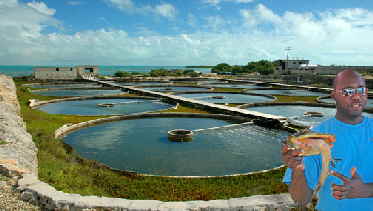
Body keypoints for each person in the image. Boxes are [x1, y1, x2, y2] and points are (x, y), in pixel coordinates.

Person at [282, 70, 373, 211]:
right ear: (333, 95)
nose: (356, 96)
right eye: (347, 91)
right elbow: (301, 199)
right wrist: (297, 170)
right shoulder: (315, 138)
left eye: (361, 90)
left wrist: (367, 190)